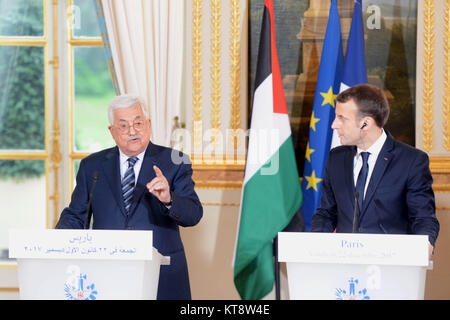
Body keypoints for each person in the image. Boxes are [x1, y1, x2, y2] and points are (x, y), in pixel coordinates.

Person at [56, 94, 203, 299]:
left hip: (161, 274)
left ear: (148, 124)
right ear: (112, 131)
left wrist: (169, 199)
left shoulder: (174, 161)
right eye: (123, 126)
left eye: (138, 123)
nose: (132, 131)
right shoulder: (93, 166)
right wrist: (56, 242)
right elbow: (75, 215)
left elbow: (193, 214)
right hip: (106, 275)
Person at [310, 84, 439, 257]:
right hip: (343, 266)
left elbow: (422, 217)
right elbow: (326, 213)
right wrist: (314, 248)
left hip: (392, 266)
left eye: (342, 118)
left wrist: (425, 245)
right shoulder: (336, 158)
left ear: (365, 123)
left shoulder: (411, 161)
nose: (334, 125)